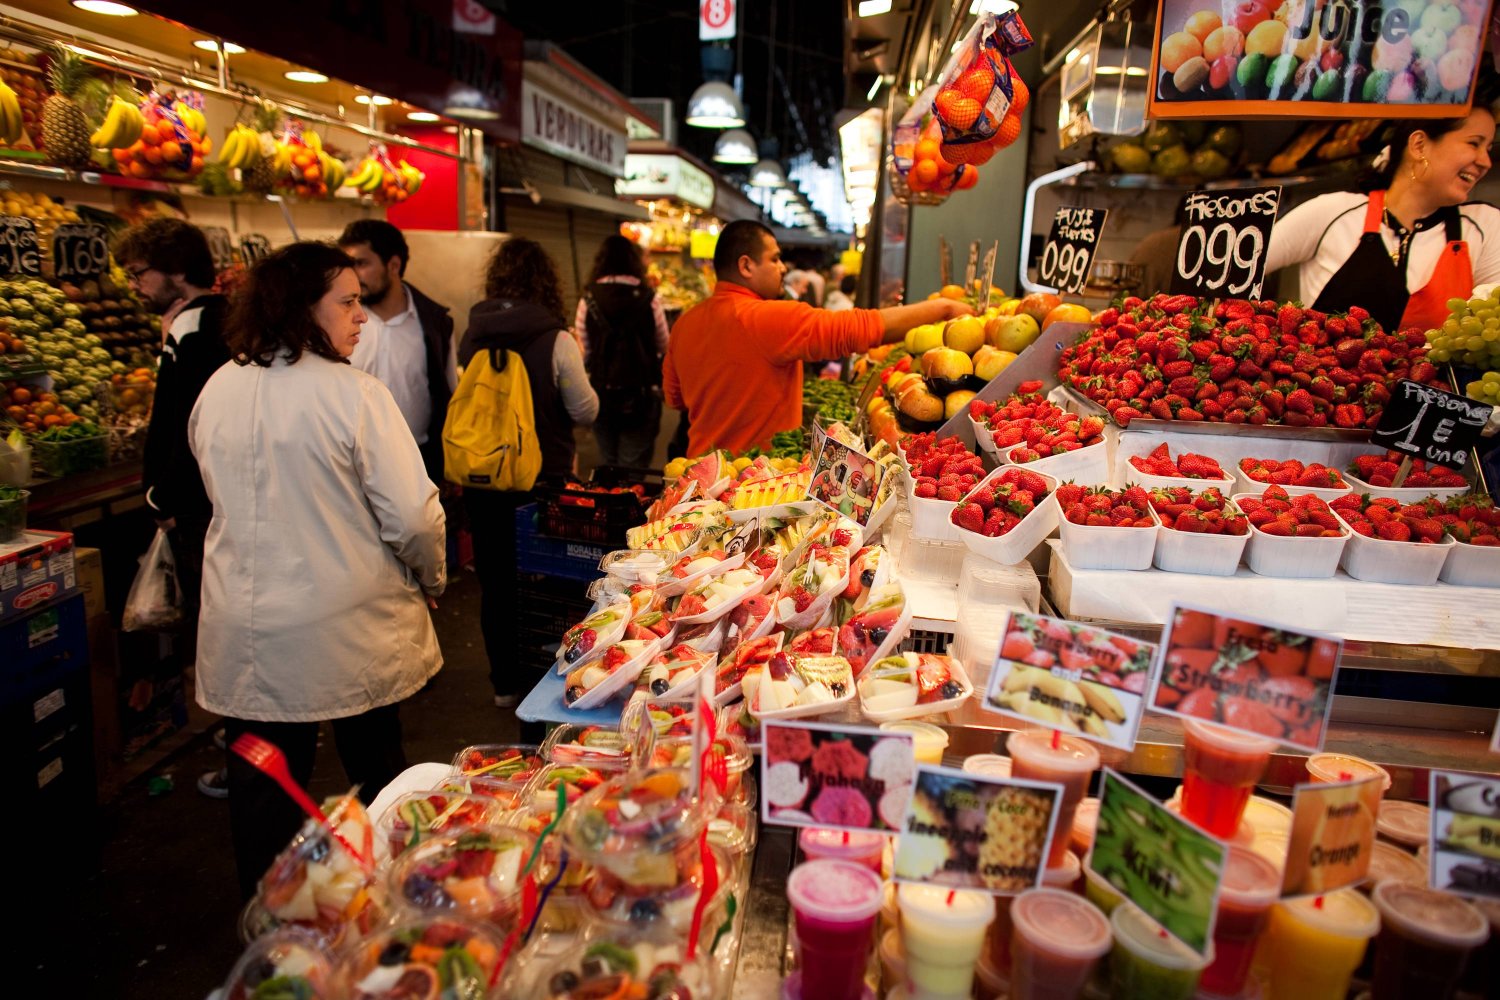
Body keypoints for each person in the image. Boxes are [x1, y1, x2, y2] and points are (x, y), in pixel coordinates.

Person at [189, 242, 446, 898]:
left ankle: (271, 932)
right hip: (345, 624)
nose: (361, 316)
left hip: (247, 629)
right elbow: (414, 519)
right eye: (348, 302)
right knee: (378, 781)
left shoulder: (218, 386)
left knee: (265, 790)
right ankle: (382, 913)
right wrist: (433, 577)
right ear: (301, 308)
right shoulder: (353, 394)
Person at [663, 220, 974, 456]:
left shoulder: (684, 323)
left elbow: (674, 398)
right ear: (746, 265)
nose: (783, 268)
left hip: (696, 468)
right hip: (754, 482)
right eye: (774, 259)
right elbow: (858, 328)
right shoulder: (766, 317)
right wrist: (941, 307)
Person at [113, 218, 232, 799]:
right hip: (217, 499)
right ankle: (242, 733)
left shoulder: (191, 329)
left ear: (177, 271)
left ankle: (245, 746)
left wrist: (163, 495)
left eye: (140, 272)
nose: (135, 284)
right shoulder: (221, 319)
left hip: (199, 506)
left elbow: (183, 423)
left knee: (220, 624)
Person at [458, 238, 599, 710]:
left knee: (496, 581)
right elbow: (584, 409)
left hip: (483, 480)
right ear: (547, 283)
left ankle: (503, 682)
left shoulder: (471, 333)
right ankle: (549, 678)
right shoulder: (556, 338)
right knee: (550, 580)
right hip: (545, 481)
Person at [1265, 108, 1500, 333]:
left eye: (1488, 148)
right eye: (1474, 143)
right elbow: (1237, 268)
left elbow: (1491, 320)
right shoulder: (1333, 212)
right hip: (1324, 375)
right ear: (1419, 145)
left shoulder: (1484, 225)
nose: (1485, 162)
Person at [338, 220, 457, 483]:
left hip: (418, 467)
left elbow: (450, 397)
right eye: (348, 265)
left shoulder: (435, 324)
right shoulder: (338, 321)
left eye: (362, 263)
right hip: (348, 466)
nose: (353, 275)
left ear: (393, 265)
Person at [574, 234, 670, 468]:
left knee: (609, 461)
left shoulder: (588, 299)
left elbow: (583, 353)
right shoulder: (650, 299)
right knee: (633, 465)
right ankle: (631, 501)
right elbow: (664, 345)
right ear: (634, 262)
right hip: (642, 394)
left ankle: (611, 500)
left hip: (602, 393)